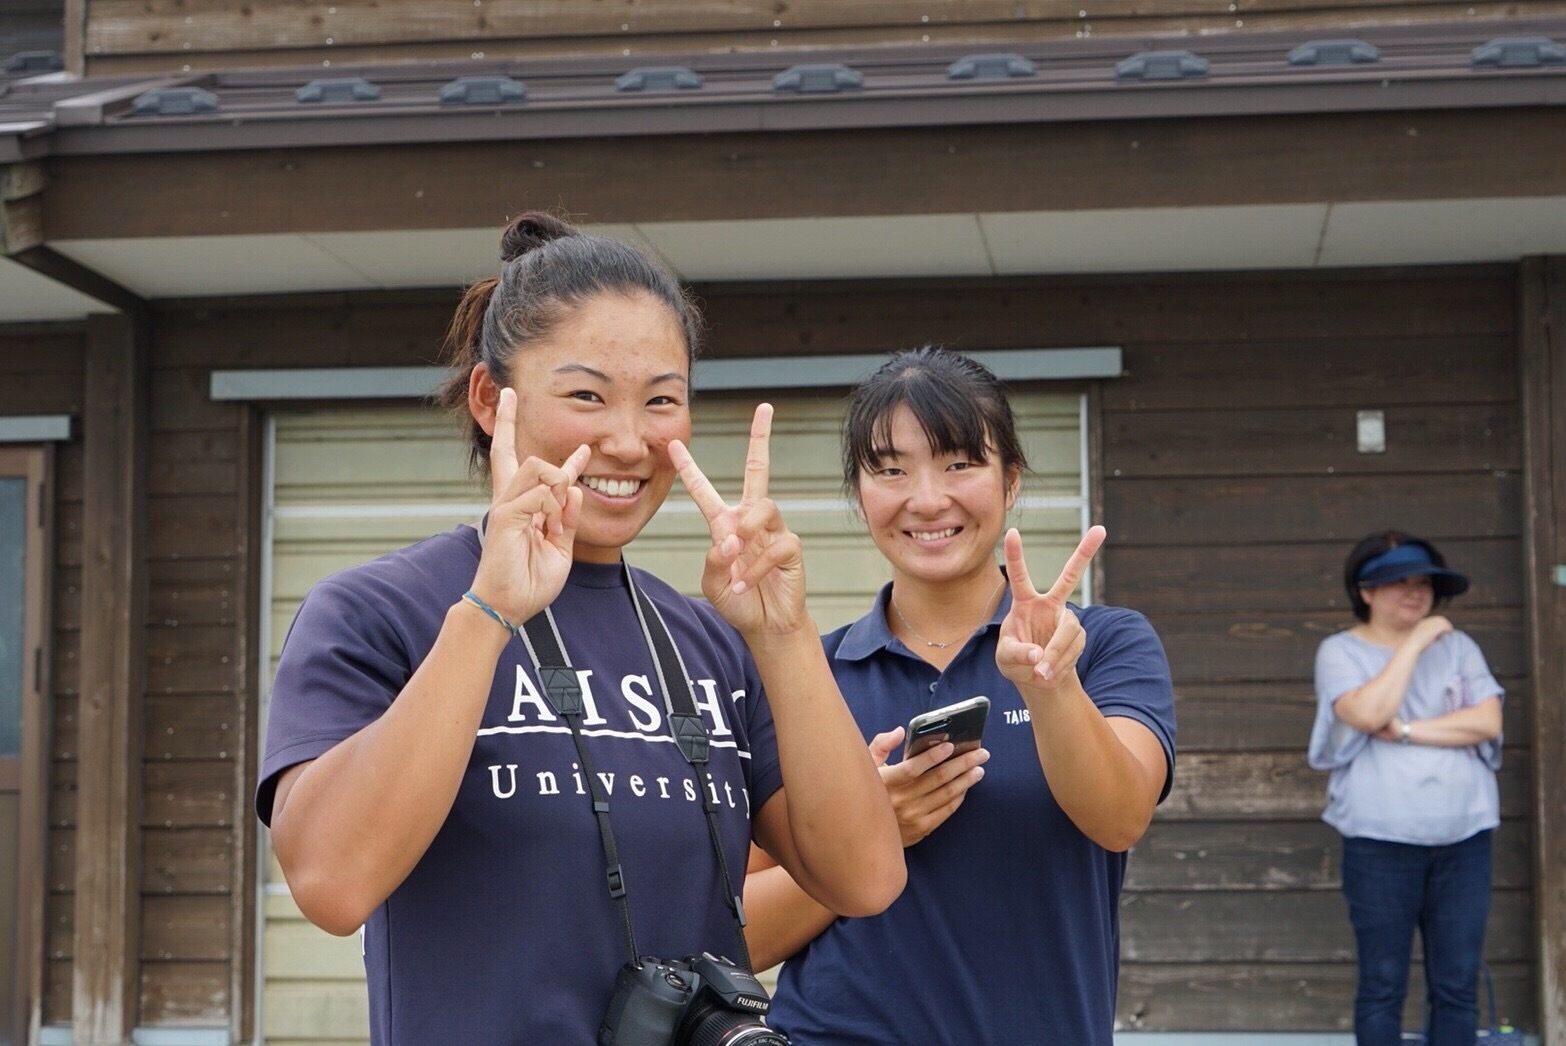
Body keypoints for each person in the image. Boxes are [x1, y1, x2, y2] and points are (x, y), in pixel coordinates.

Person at [254, 213, 904, 1045]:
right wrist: (487, 615)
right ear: (493, 400)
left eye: (662, 401)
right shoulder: (381, 611)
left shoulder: (708, 643)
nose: (628, 440)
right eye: (588, 395)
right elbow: (331, 885)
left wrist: (781, 632)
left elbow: (865, 877)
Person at [744, 346, 1177, 1045]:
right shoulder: (806, 676)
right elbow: (742, 933)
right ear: (860, 495)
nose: (926, 498)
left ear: (1009, 481)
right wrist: (868, 836)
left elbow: (1121, 817)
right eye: (889, 469)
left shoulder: (1103, 644)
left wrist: (1051, 687)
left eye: (958, 463)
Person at [1309, 530, 1503, 1046]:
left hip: (1465, 839)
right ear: (1366, 592)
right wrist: (1416, 642)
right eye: (1397, 583)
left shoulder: (1461, 647)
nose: (1414, 593)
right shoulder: (1340, 652)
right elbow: (1368, 711)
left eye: (1423, 583)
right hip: (1380, 842)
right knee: (1382, 981)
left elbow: (1487, 721)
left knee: (1458, 982)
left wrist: (1410, 731)